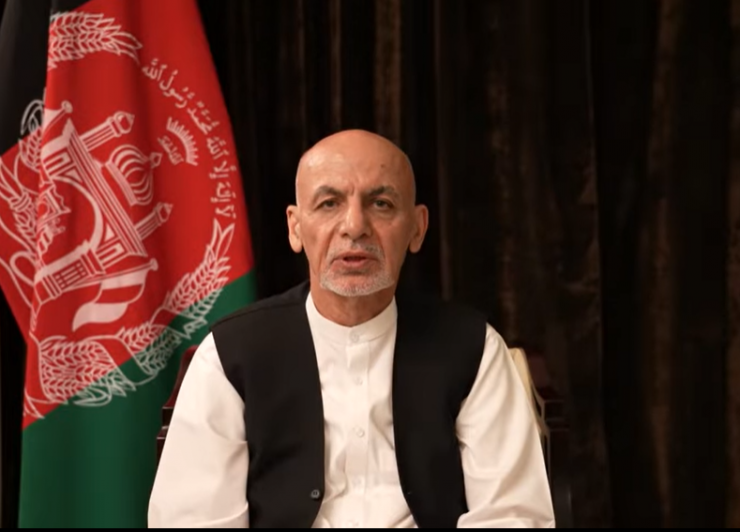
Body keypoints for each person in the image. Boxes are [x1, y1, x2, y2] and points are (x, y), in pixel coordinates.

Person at [147, 129, 555, 528]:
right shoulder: (229, 355)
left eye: (381, 204)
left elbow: (513, 515)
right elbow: (193, 520)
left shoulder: (474, 349)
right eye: (329, 203)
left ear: (417, 228)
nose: (355, 226)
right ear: (295, 227)